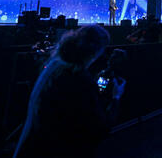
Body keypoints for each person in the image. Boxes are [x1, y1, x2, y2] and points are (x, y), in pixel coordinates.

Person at [14, 25, 125, 158]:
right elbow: (99, 128)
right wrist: (116, 97)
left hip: (33, 148)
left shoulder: (54, 65)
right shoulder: (79, 78)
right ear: (96, 51)